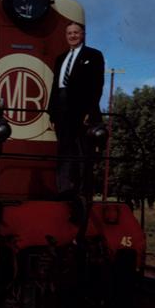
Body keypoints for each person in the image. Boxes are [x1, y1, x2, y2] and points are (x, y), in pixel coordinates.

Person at [48, 21, 105, 211]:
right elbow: (55, 87)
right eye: (69, 33)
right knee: (64, 150)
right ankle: (64, 189)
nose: (72, 36)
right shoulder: (61, 58)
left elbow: (97, 85)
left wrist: (90, 110)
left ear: (83, 34)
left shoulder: (93, 56)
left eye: (76, 32)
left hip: (82, 111)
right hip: (62, 110)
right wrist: (52, 114)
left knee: (82, 151)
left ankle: (82, 192)